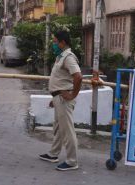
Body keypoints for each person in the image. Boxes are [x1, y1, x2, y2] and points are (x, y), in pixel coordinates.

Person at [39, 31, 82, 171]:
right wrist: (55, 97)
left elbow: (78, 77)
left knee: (67, 130)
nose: (54, 44)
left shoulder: (68, 57)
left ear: (63, 42)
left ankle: (72, 161)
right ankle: (53, 154)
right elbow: (61, 79)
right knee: (58, 128)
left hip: (64, 99)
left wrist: (72, 95)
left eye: (56, 41)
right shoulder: (60, 57)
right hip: (59, 98)